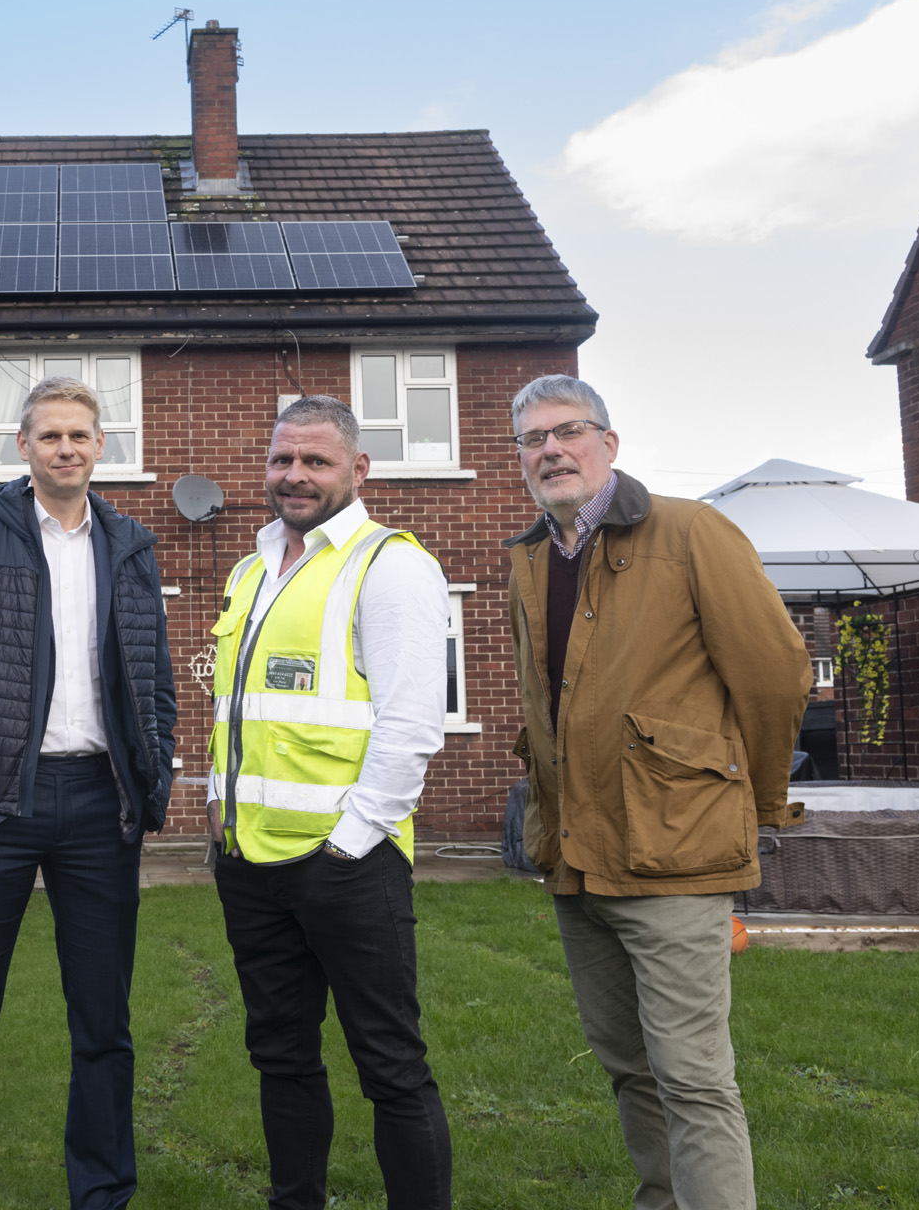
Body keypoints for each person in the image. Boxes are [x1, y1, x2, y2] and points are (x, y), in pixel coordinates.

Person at [503, 374, 811, 1210]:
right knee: (628, 1066)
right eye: (532, 440)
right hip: (576, 858)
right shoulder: (531, 555)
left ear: (609, 443)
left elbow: (777, 674)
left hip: (675, 854)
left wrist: (754, 797)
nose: (551, 450)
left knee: (694, 1076)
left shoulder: (691, 531)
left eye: (568, 431)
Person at [0, 375, 177, 1210]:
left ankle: (103, 1195)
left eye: (81, 436)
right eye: (50, 435)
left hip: (100, 809)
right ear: (22, 446)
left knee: (104, 1028)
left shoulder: (130, 545)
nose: (66, 448)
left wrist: (151, 783)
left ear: (102, 448)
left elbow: (154, 681)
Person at [207, 394, 453, 1210]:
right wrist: (219, 819)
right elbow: (239, 711)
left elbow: (411, 724)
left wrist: (349, 842)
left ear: (358, 469)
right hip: (249, 862)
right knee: (280, 1055)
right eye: (282, 460)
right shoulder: (252, 567)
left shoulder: (390, 564)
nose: (295, 475)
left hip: (347, 864)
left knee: (390, 1065)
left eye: (315, 461)